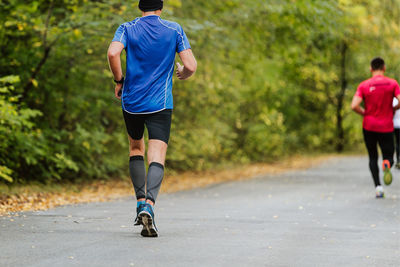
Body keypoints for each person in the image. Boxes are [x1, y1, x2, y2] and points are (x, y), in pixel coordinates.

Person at [107, 0, 197, 237]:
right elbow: (191, 65)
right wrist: (183, 73)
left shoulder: (127, 28)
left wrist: (119, 80)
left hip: (132, 102)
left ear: (140, 8)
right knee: (156, 154)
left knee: (136, 149)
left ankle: (139, 202)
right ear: (161, 8)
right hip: (160, 103)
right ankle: (149, 205)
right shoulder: (174, 29)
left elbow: (113, 52)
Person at [351, 57, 400, 198]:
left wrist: (364, 113)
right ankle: (387, 163)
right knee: (389, 155)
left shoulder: (364, 85)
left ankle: (378, 187)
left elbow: (354, 105)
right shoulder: (392, 84)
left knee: (372, 156)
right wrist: (394, 108)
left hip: (369, 125)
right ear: (384, 68)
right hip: (386, 126)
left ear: (371, 69)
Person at [393, 97, 400, 169]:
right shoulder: (394, 100)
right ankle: (398, 160)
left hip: (394, 124)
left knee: (397, 143)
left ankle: (398, 160)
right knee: (398, 143)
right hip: (396, 124)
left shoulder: (393, 100)